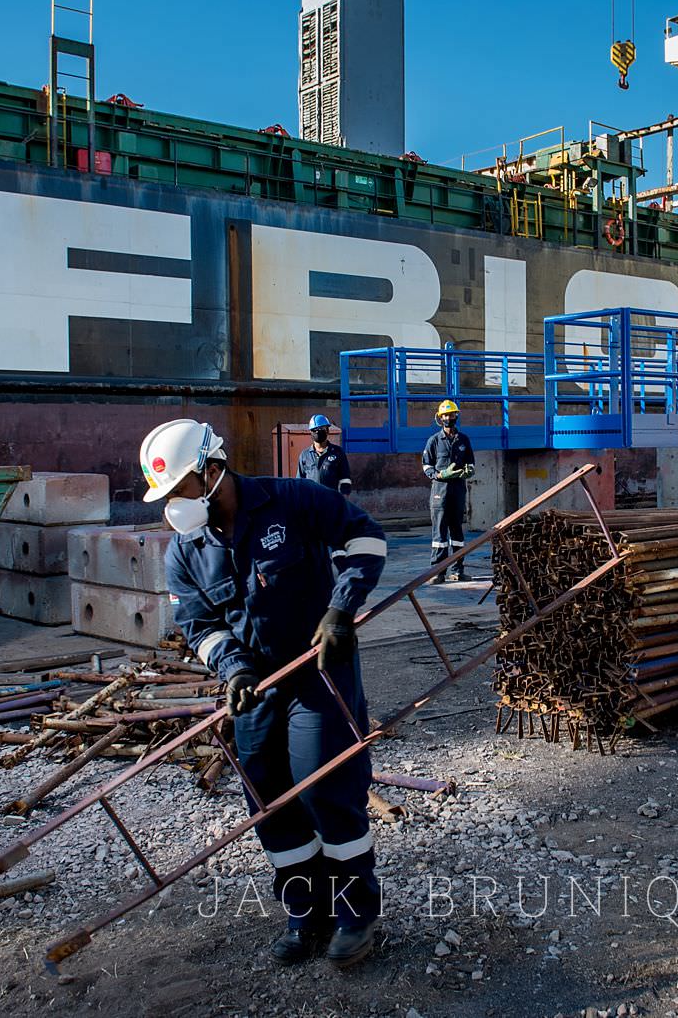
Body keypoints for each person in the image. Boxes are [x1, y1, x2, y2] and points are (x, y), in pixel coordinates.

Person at [143, 419, 388, 968]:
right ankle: (307, 915)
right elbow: (199, 623)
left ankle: (356, 915)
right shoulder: (186, 550)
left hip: (318, 673)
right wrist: (231, 670)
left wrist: (340, 609)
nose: (175, 505)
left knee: (326, 788)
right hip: (256, 690)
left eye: (180, 490)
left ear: (211, 471)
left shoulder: (291, 500)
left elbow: (366, 537)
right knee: (269, 801)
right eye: (167, 496)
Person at [421, 400, 475, 583]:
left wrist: (470, 470)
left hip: (458, 490)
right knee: (439, 534)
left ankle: (458, 570)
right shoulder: (434, 441)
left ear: (456, 416)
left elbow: (470, 462)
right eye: (445, 415)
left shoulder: (464, 440)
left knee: (457, 533)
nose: (448, 418)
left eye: (451, 414)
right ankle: (438, 572)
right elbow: (426, 466)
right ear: (439, 417)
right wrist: (439, 474)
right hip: (440, 492)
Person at [297, 414, 353, 495]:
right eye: (315, 430)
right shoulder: (304, 455)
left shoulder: (338, 452)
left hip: (331, 502)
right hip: (311, 503)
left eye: (322, 429)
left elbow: (345, 479)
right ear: (311, 432)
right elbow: (300, 482)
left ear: (327, 431)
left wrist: (343, 499)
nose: (318, 432)